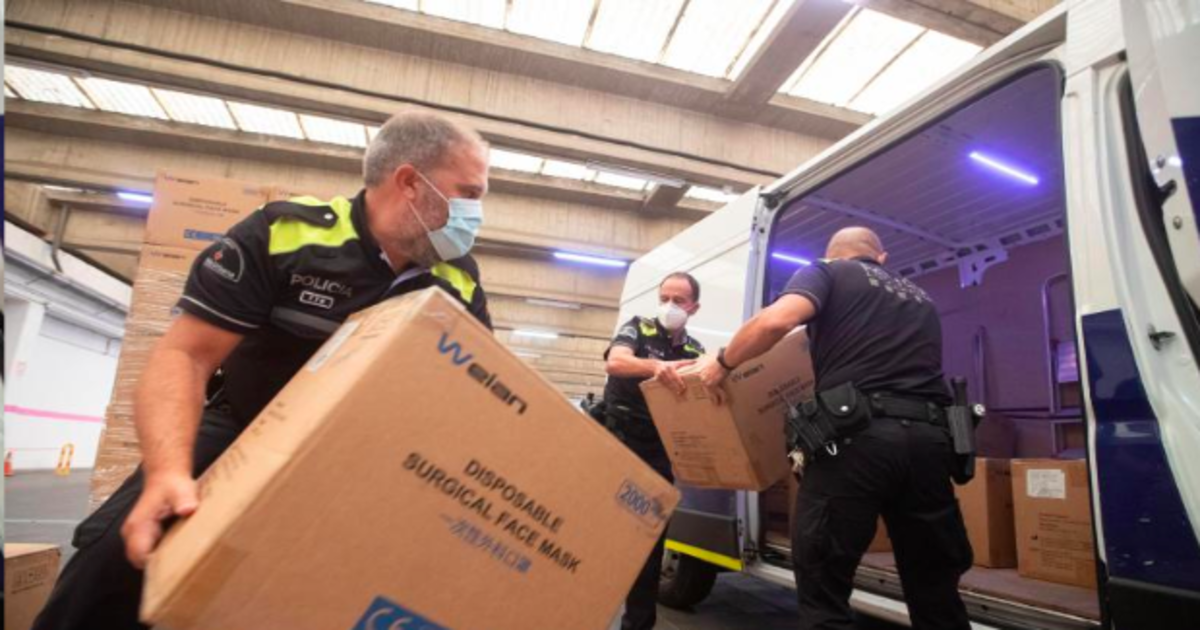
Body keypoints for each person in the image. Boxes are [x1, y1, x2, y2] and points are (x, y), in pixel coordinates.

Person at [33, 111, 494, 630]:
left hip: (363, 460)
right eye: (469, 194)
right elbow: (186, 355)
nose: (476, 213)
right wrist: (168, 473)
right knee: (117, 558)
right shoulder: (287, 233)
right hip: (245, 425)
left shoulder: (460, 281)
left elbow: (473, 400)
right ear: (410, 182)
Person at [690, 227, 972, 630]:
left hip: (858, 440)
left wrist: (722, 363)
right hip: (930, 443)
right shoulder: (920, 298)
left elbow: (776, 322)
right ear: (882, 258)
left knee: (824, 584)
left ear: (832, 255)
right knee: (936, 589)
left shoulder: (828, 273)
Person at [602, 272, 704, 630]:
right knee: (600, 533)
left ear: (694, 307)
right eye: (665, 298)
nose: (669, 307)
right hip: (618, 440)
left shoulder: (695, 353)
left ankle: (638, 624)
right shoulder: (638, 329)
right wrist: (656, 367)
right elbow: (616, 362)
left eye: (678, 300)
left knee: (648, 540)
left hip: (659, 450)